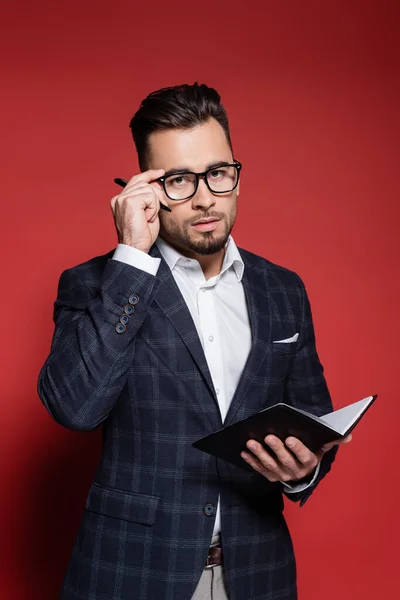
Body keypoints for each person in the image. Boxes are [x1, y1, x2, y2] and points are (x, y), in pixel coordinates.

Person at [38, 83, 351, 600]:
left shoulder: (283, 289)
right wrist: (133, 260)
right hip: (132, 575)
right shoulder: (98, 283)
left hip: (257, 575)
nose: (205, 198)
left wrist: (303, 472)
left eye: (218, 174)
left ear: (235, 173)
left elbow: (314, 423)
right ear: (143, 188)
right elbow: (75, 407)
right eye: (179, 180)